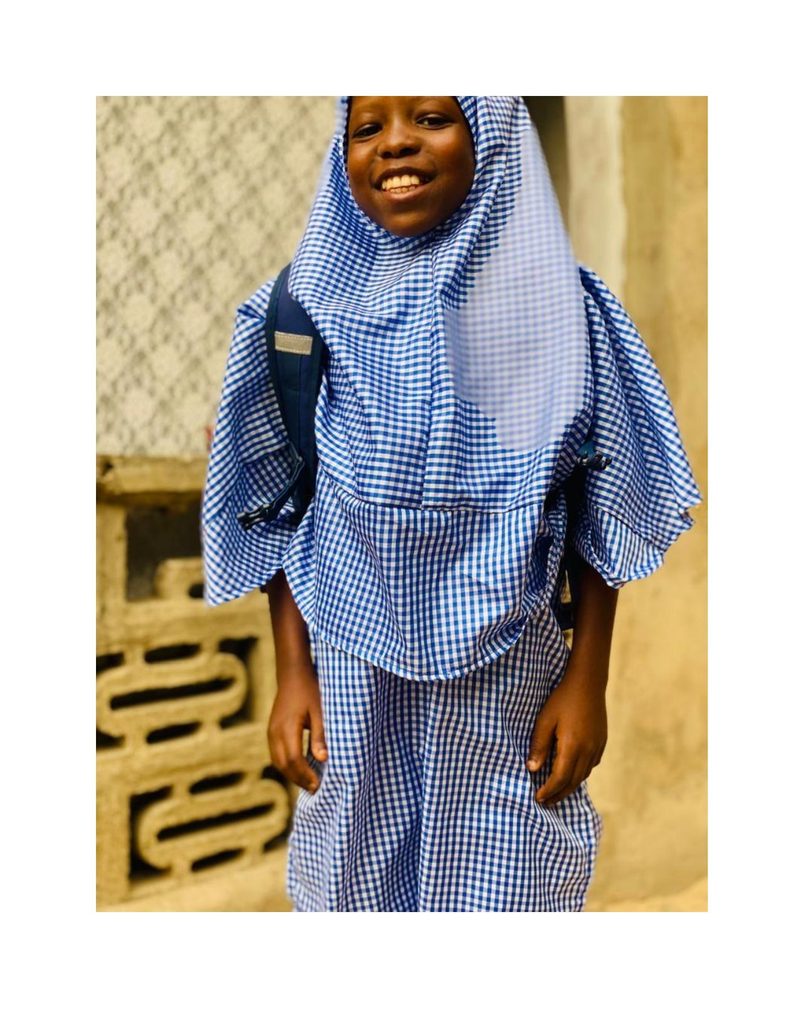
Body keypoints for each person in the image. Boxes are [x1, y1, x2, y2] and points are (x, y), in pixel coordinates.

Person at [201, 96, 702, 912]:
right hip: (353, 670)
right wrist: (293, 671)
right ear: (343, 151)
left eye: (432, 116)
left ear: (494, 134)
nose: (395, 141)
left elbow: (598, 498)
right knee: (354, 889)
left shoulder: (565, 313)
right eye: (367, 127)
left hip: (510, 681)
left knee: (510, 886)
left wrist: (589, 679)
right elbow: (279, 503)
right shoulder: (295, 316)